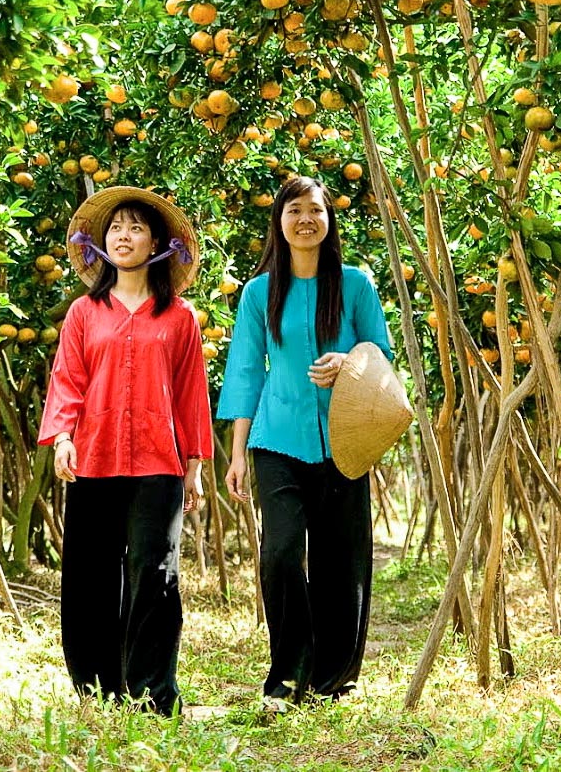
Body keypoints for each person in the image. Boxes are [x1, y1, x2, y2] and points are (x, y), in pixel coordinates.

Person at [219, 174, 393, 708]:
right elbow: (246, 370)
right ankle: (288, 673)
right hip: (278, 440)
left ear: (328, 219)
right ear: (279, 221)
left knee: (343, 564)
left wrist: (348, 362)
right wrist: (238, 453)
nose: (305, 220)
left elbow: (381, 351)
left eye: (314, 210)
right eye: (293, 210)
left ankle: (333, 680)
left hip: (347, 439)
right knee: (282, 552)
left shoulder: (355, 283)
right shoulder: (258, 292)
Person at [38, 186, 212, 715]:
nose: (124, 236)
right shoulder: (83, 313)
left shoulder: (179, 317)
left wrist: (196, 466)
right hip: (94, 456)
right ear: (101, 243)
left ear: (157, 243)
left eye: (136, 227)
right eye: (115, 228)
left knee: (155, 572)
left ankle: (154, 693)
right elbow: (68, 379)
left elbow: (189, 390)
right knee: (91, 572)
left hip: (160, 461)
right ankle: (98, 687)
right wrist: (63, 436)